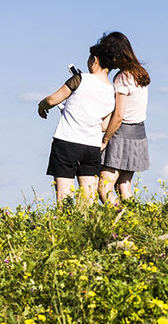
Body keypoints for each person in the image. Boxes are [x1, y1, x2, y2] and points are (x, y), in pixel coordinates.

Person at [38, 38, 119, 203]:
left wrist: (41, 106)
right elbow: (104, 126)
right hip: (92, 147)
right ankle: (87, 228)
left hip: (67, 142)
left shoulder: (80, 79)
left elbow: (53, 100)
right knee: (87, 200)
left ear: (94, 60)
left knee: (64, 197)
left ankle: (64, 227)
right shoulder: (112, 91)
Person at [98, 32, 150, 204]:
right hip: (139, 133)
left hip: (122, 134)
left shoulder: (122, 77)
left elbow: (119, 115)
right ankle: (131, 220)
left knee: (104, 187)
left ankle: (121, 222)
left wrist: (105, 139)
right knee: (124, 185)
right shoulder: (140, 73)